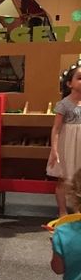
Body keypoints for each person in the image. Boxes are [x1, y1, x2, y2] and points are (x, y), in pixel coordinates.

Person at [47, 60, 81, 217]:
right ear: (69, 84)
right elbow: (56, 128)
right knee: (64, 178)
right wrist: (54, 150)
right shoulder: (64, 104)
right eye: (79, 78)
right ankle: (62, 210)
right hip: (67, 145)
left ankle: (77, 210)